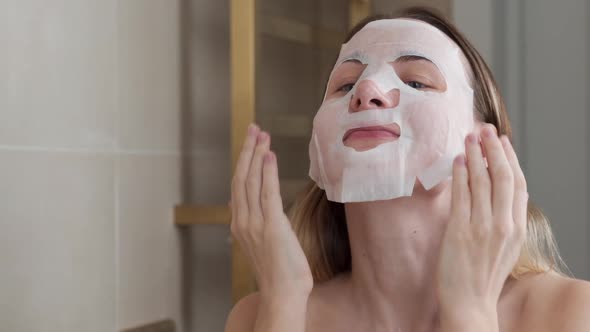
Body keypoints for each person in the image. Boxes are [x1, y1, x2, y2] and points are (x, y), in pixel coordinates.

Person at [224, 7, 590, 332]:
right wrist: (284, 308)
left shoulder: (570, 314)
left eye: (416, 81)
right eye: (345, 84)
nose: (367, 90)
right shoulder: (259, 314)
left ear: (484, 145)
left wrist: (469, 313)